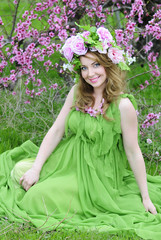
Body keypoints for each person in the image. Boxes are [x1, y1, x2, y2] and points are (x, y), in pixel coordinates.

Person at [0, 25, 161, 239]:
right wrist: (37, 168)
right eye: (84, 68)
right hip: (68, 160)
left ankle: (69, 193)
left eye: (96, 65)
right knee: (21, 170)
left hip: (98, 174)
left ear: (108, 64)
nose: (90, 73)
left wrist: (145, 197)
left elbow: (133, 152)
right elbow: (57, 130)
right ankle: (46, 175)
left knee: (35, 198)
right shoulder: (77, 92)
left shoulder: (123, 106)